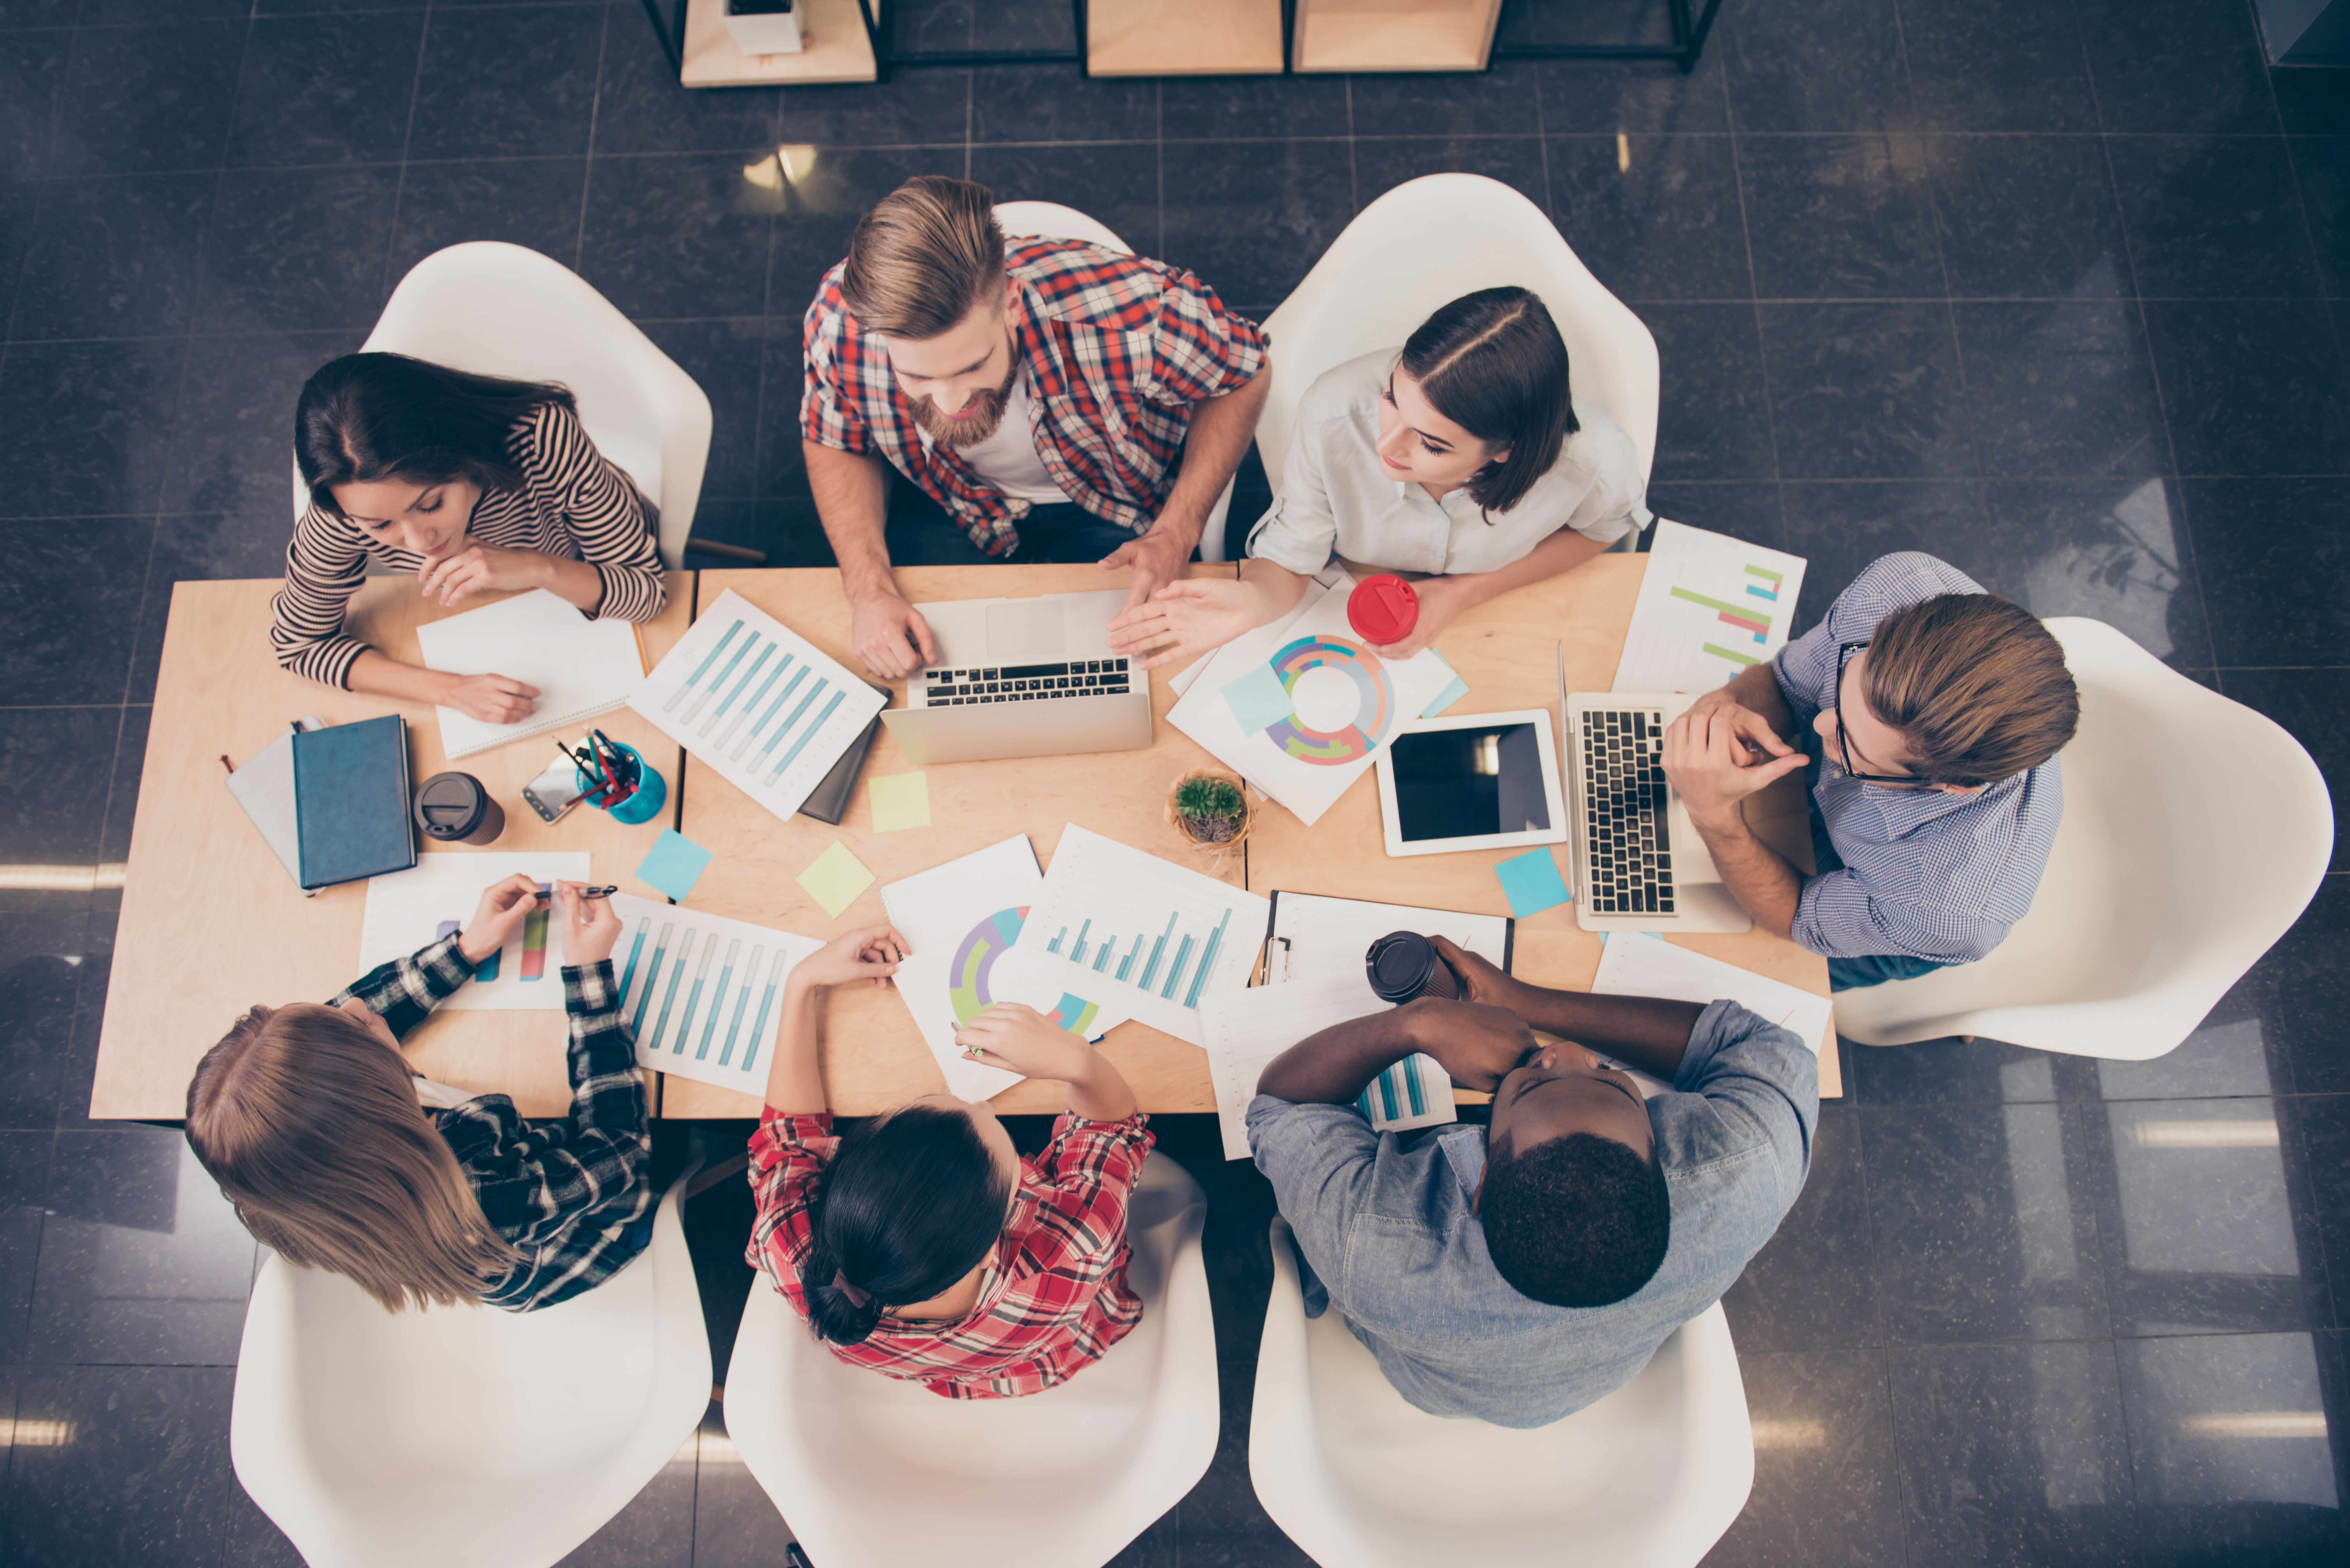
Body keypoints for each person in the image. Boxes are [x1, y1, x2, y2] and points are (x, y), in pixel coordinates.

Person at [1248, 938, 1815, 1428]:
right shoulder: (1748, 1175)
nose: (1568, 1052)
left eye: (1533, 1085)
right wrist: (1529, 1003)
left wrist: (1417, 1023)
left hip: (1434, 1389)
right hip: (1588, 1380)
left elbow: (1279, 1105)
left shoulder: (1374, 1249)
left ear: (1483, 1182)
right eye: (1611, 1079)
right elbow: (1765, 1050)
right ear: (1660, 1163)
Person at [800, 175, 1270, 678]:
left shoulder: (1136, 313)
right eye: (916, 376)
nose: (951, 404)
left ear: (1012, 304)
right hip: (961, 505)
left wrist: (1177, 532)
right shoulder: (837, 323)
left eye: (970, 367)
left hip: (1118, 506)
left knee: (1129, 681)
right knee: (931, 690)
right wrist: (868, 590)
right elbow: (836, 441)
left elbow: (1246, 374)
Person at [1109, 286, 1652, 666]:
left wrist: (1461, 593)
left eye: (1433, 444)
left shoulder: (1593, 463)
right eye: (1392, 399)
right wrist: (1252, 600)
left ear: (1506, 451)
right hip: (1346, 601)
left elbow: (1602, 530)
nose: (1384, 446)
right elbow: (1292, 560)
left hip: (1498, 614)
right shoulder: (1332, 411)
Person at [184, 878, 653, 1313]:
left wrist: (468, 947)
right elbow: (623, 1145)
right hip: (599, 1225)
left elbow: (334, 1037)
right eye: (359, 1025)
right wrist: (588, 976)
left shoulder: (284, 1165)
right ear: (379, 1102)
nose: (355, 1004)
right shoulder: (487, 1198)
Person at [747, 925, 1156, 1398]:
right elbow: (1114, 1130)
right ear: (992, 1247)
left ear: (845, 1169)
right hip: (1054, 1344)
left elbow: (787, 1139)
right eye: (997, 1130)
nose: (984, 1106)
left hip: (955, 1369)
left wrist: (803, 983)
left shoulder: (789, 1249)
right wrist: (1079, 1062)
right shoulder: (1070, 1254)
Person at [1656, 552, 2078, 991]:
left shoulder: (1940, 905)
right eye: (1840, 693)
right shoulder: (1898, 588)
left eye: (1850, 746)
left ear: (1953, 787)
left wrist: (1714, 818)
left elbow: (1797, 914)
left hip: (1889, 904)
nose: (1819, 725)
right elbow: (1786, 686)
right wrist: (1720, 709)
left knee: (1748, 970)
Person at [273, 353, 668, 724]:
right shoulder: (344, 507)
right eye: (379, 526)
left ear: (463, 456)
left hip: (585, 565)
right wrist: (452, 691)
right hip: (499, 618)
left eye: (430, 504)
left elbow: (646, 592)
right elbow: (300, 645)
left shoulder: (541, 437)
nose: (418, 541)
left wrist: (535, 567)